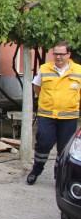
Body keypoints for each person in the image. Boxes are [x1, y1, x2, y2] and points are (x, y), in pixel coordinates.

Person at [27, 41, 81, 185]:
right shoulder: (45, 68)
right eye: (55, 54)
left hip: (69, 117)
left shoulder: (79, 71)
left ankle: (59, 174)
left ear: (69, 54)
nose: (58, 57)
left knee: (64, 149)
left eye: (62, 54)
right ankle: (36, 170)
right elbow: (37, 87)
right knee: (43, 143)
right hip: (47, 115)